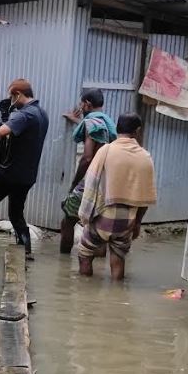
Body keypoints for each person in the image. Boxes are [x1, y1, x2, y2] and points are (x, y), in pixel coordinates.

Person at [77, 112, 157, 280]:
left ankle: (83, 294)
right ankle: (117, 291)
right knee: (118, 256)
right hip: (127, 220)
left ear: (117, 128)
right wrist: (137, 224)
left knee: (84, 254)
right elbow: (145, 196)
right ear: (137, 131)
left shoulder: (106, 150)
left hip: (102, 215)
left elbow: (91, 183)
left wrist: (85, 215)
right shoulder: (145, 157)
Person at [0, 78, 49, 259]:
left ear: (18, 94)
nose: (10, 101)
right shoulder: (42, 114)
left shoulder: (24, 114)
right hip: (27, 175)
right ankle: (26, 250)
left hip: (10, 173)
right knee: (15, 213)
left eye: (11, 96)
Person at [60, 88, 117, 253]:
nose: (80, 107)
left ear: (87, 104)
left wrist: (75, 183)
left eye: (81, 103)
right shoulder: (106, 122)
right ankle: (98, 266)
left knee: (68, 220)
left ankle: (63, 262)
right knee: (98, 224)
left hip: (92, 179)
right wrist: (78, 122)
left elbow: (87, 157)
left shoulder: (91, 123)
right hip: (107, 181)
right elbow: (97, 135)